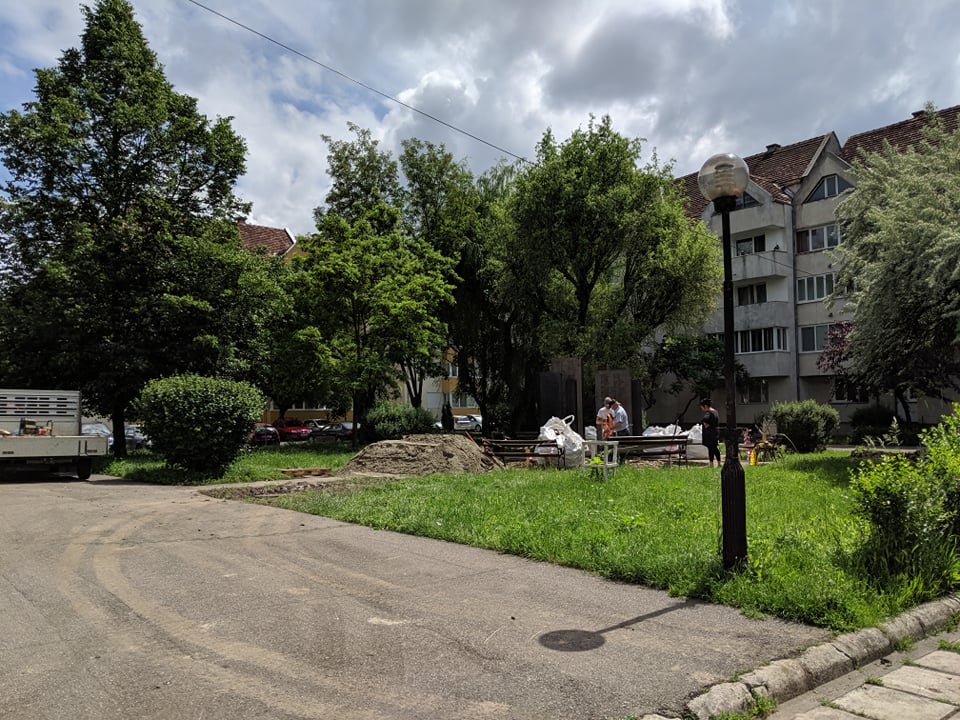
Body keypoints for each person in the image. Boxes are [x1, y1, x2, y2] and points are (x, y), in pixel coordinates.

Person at [700, 397, 721, 467]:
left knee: (711, 448)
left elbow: (705, 420)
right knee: (714, 448)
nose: (701, 408)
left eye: (702, 407)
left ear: (705, 406)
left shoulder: (709, 413)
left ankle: (711, 464)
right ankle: (718, 463)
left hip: (710, 434)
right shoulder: (715, 412)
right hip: (715, 433)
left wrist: (705, 425)